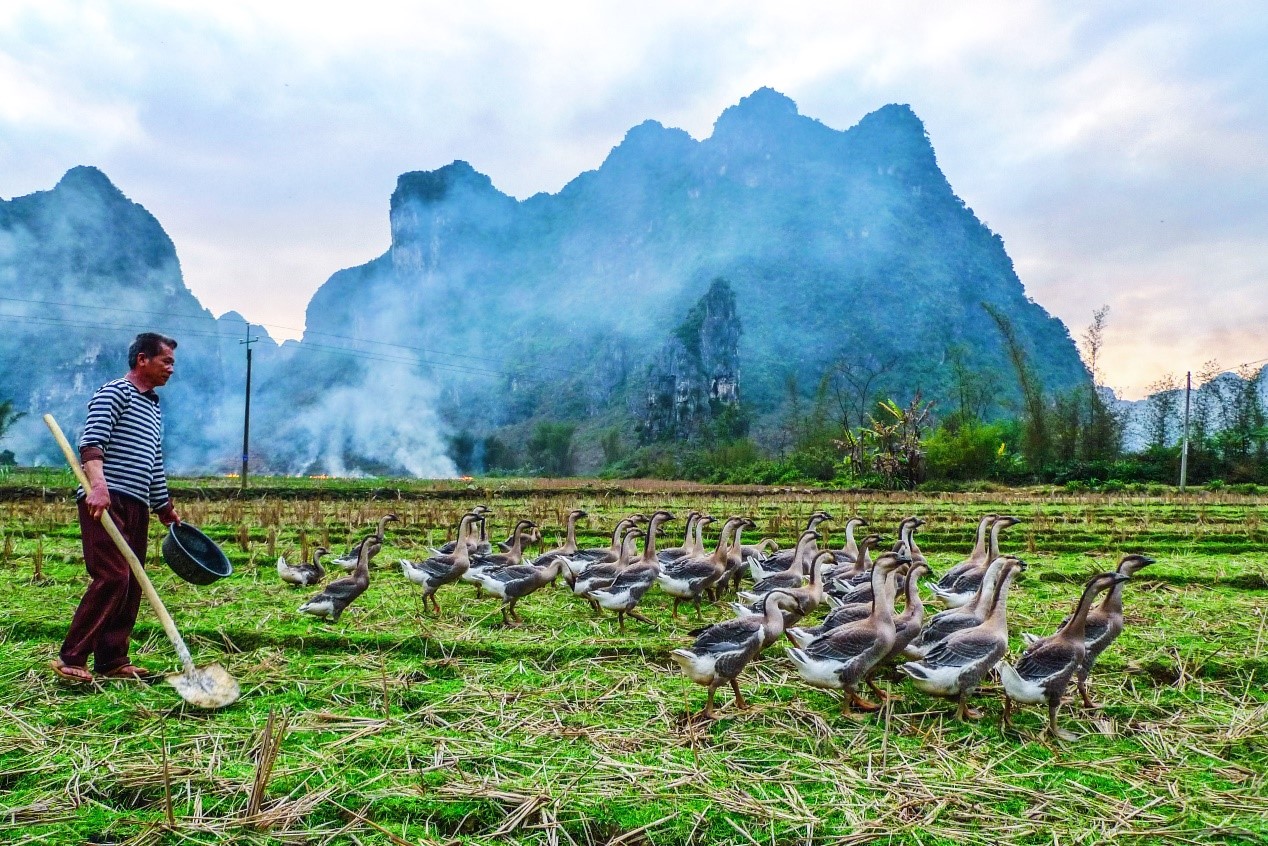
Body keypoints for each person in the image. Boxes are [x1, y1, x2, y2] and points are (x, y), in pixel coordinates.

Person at [51, 332, 181, 683]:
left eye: (172, 362)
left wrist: (163, 505)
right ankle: (71, 657)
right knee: (112, 576)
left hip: (136, 502)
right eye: (165, 361)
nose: (171, 368)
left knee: (133, 582)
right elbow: (92, 443)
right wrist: (98, 486)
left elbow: (153, 461)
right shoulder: (115, 392)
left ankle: (112, 659)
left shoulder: (152, 406)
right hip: (105, 501)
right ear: (143, 359)